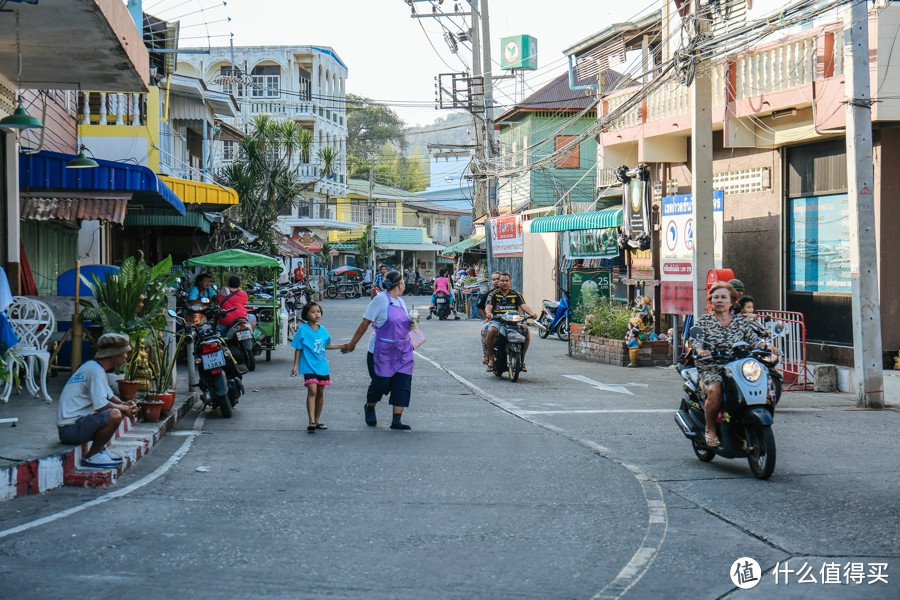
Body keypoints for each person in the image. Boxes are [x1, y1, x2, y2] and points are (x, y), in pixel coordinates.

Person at [691, 282, 777, 448]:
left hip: (738, 366)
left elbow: (754, 340)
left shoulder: (740, 321)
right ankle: (710, 428)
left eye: (724, 297)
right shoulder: (704, 321)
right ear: (711, 301)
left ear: (732, 302)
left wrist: (768, 346)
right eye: (715, 297)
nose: (719, 300)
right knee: (715, 390)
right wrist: (701, 350)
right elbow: (695, 340)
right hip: (712, 366)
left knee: (761, 384)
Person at [343, 270, 415, 431]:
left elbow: (402, 325)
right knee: (381, 383)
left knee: (402, 383)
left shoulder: (402, 302)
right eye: (403, 281)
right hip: (380, 351)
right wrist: (352, 343)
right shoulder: (380, 300)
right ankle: (370, 406)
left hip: (403, 351)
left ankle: (397, 420)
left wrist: (413, 322)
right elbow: (364, 323)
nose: (405, 284)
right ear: (399, 283)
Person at [57, 333, 139, 468]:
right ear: (113, 355)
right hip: (70, 430)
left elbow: (109, 395)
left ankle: (101, 450)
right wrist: (124, 409)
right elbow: (101, 405)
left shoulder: (94, 367)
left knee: (117, 410)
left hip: (73, 426)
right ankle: (92, 456)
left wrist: (125, 404)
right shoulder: (95, 371)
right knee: (114, 414)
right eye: (123, 353)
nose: (125, 357)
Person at [290, 302, 343, 433]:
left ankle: (318, 420)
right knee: (312, 390)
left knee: (320, 392)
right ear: (306, 315)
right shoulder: (303, 329)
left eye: (318, 311)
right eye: (313, 312)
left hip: (322, 366)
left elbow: (326, 346)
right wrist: (295, 365)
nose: (316, 314)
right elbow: (298, 348)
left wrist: (342, 346)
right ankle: (311, 420)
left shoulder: (323, 330)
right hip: (308, 365)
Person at [483, 273, 539, 372]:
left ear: (510, 282)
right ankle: (491, 358)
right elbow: (489, 306)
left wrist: (531, 313)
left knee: (526, 332)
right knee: (491, 331)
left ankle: (521, 361)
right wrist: (488, 313)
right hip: (498, 321)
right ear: (498, 282)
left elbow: (523, 305)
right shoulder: (493, 294)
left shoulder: (516, 294)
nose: (504, 283)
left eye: (506, 281)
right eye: (502, 281)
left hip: (514, 322)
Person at [477, 271, 502, 364]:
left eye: (498, 279)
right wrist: (486, 318)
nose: (496, 281)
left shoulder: (511, 293)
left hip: (508, 320)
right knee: (485, 330)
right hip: (493, 320)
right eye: (494, 279)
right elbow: (479, 307)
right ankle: (486, 354)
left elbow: (519, 305)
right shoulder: (489, 294)